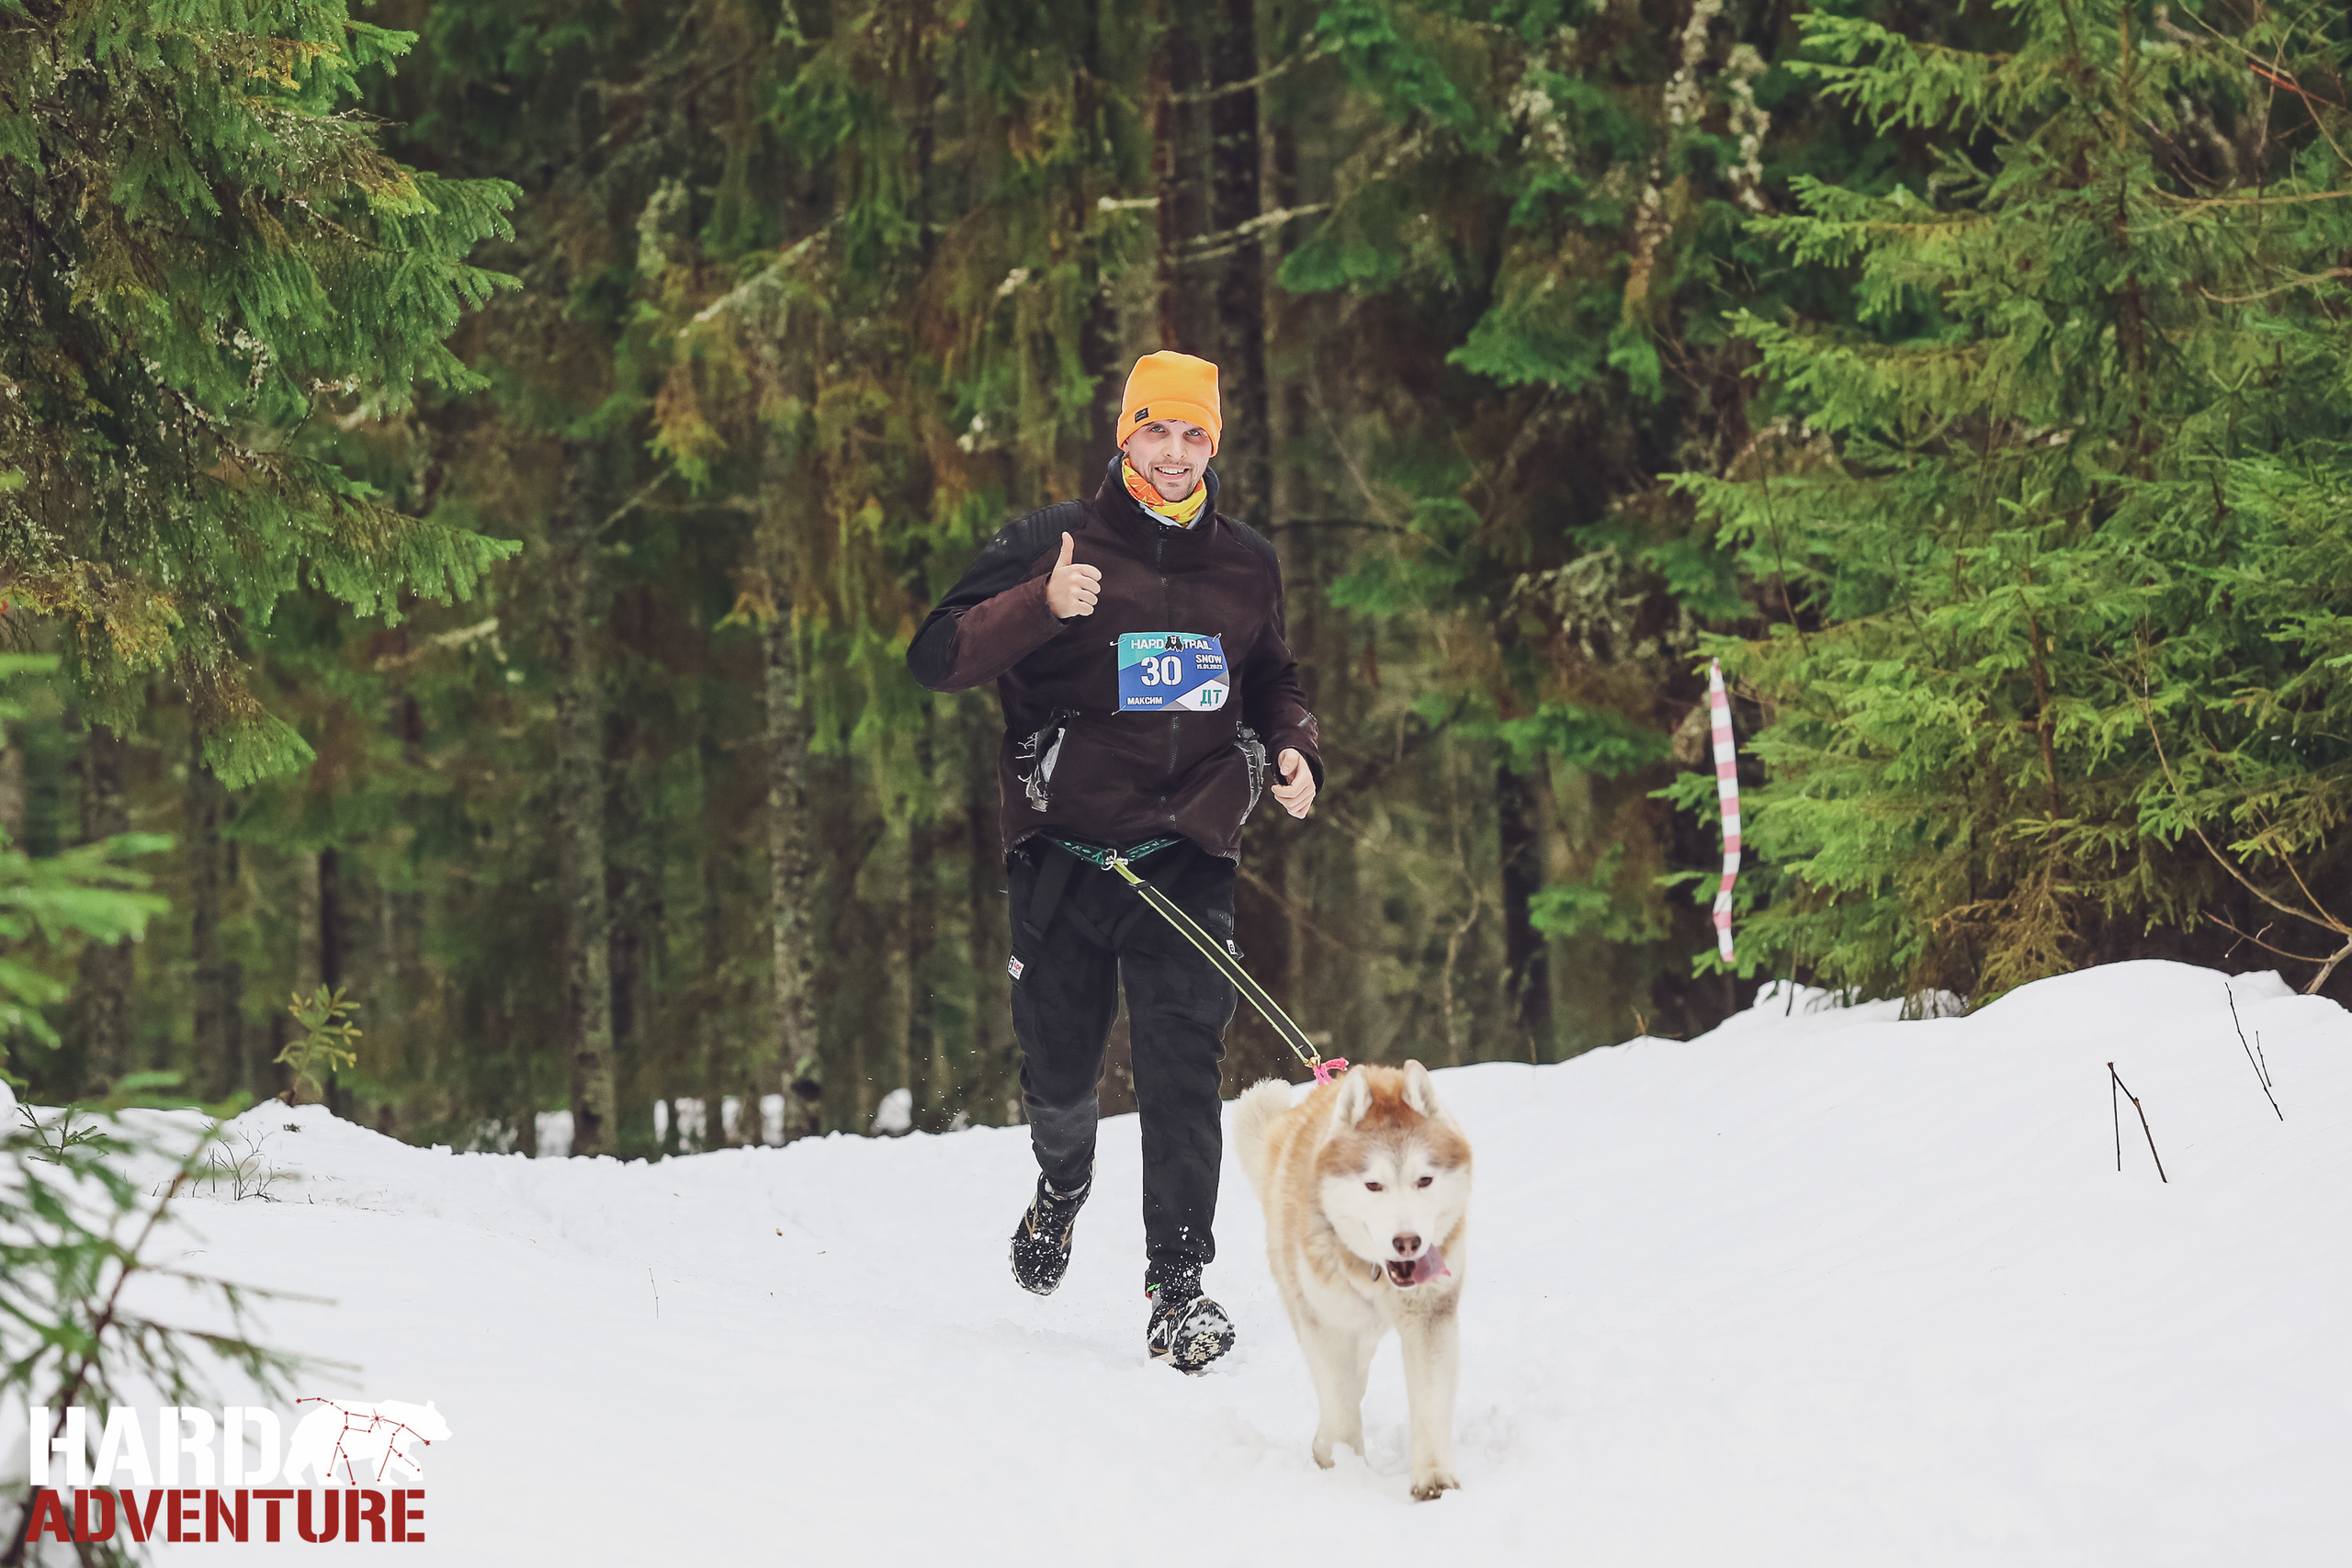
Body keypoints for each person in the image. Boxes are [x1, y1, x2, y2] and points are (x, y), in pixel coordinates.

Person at [907, 350, 1324, 1373]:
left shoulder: (1245, 562)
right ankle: (1060, 1186)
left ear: (1212, 444)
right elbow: (936, 655)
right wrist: (1038, 606)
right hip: (1063, 853)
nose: (1174, 455)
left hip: (1187, 852)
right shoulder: (1050, 541)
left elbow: (1272, 675)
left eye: (1193, 435)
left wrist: (1296, 747)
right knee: (1059, 1068)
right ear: (1124, 435)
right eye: (1156, 432)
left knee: (1184, 1066)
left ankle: (1176, 1289)